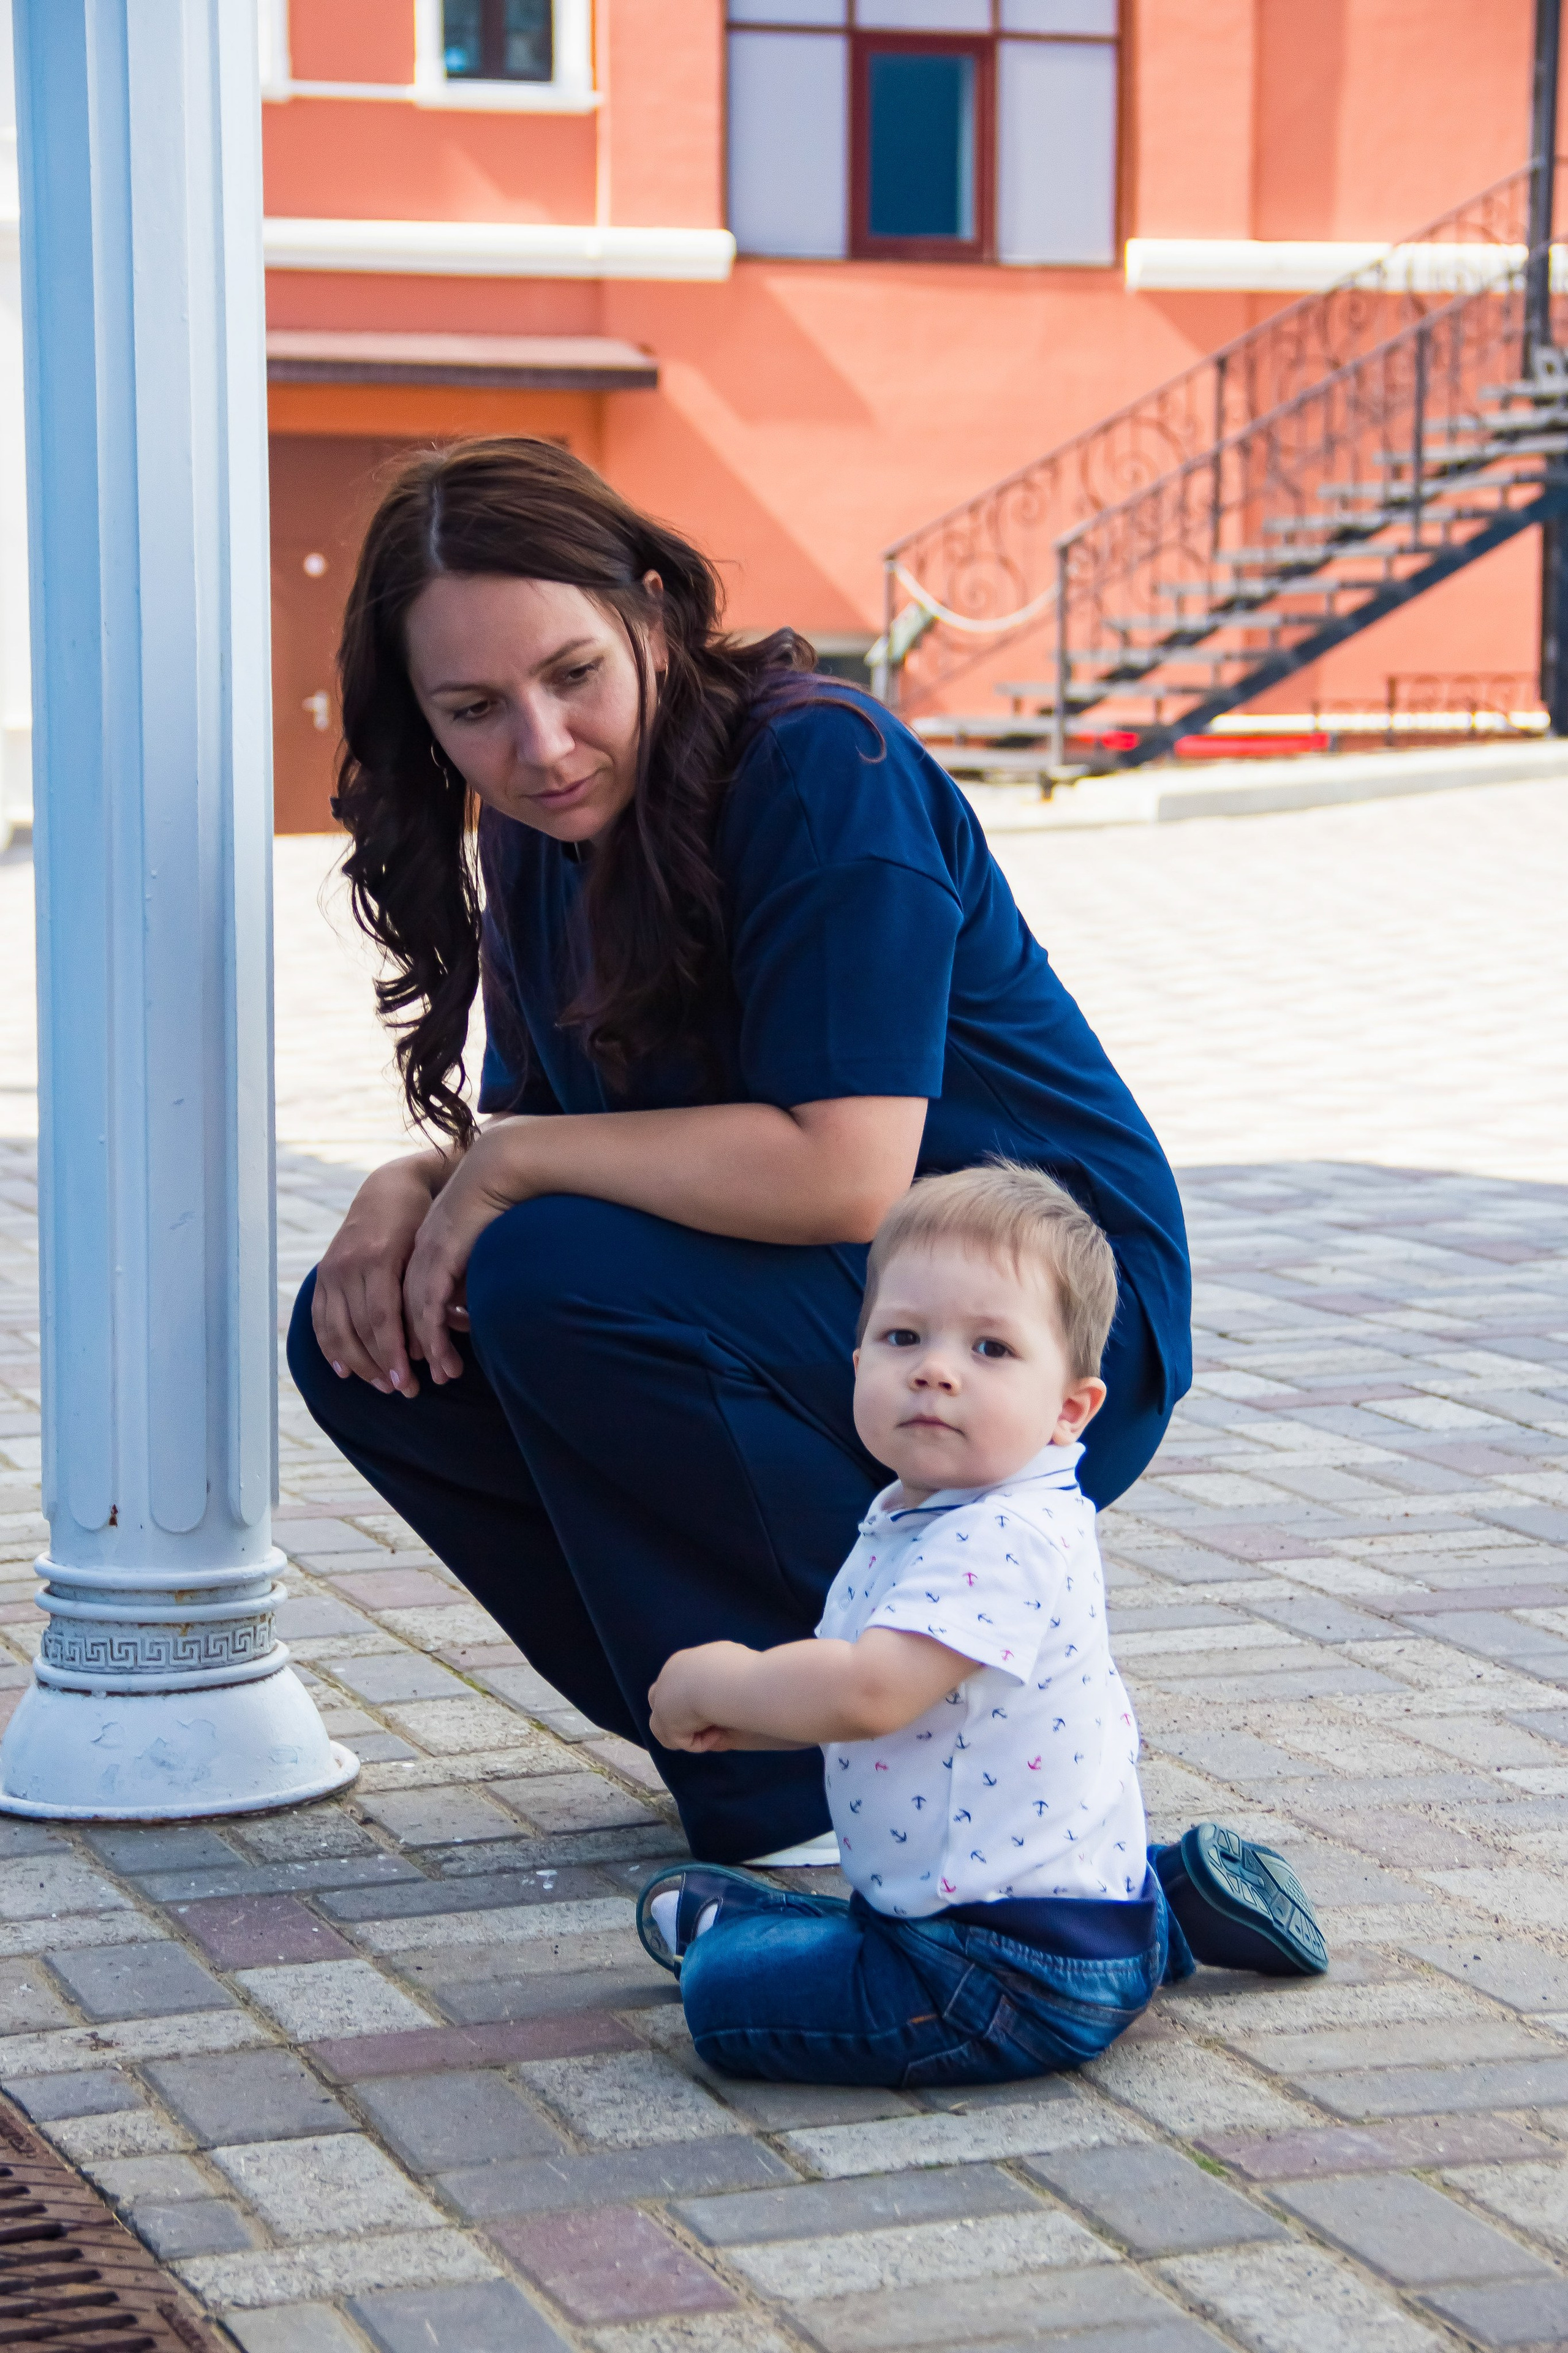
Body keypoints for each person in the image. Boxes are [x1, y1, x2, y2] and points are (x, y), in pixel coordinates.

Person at [287, 436, 1194, 1867]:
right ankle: (730, 1711)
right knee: (371, 1331)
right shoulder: (537, 833)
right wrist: (404, 1190)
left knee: (544, 1271)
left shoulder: (824, 766)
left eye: (572, 675)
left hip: (1035, 1316)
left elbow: (844, 1172)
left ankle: (803, 1798)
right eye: (473, 710)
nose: (539, 745)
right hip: (826, 1299)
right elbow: (545, 1131)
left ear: (651, 615)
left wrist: (501, 1173)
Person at [636, 1166, 1328, 2088]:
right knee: (828, 1945)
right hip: (1044, 1911)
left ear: (1069, 1410)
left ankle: (765, 1942)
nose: (936, 1368)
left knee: (722, 1995)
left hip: (1004, 1971)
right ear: (858, 1363)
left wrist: (718, 1680)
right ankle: (1175, 1902)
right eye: (903, 1336)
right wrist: (749, 1727)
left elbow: (871, 1693)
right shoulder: (936, 1510)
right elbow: (894, 1701)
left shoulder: (998, 1536)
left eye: (991, 1348)